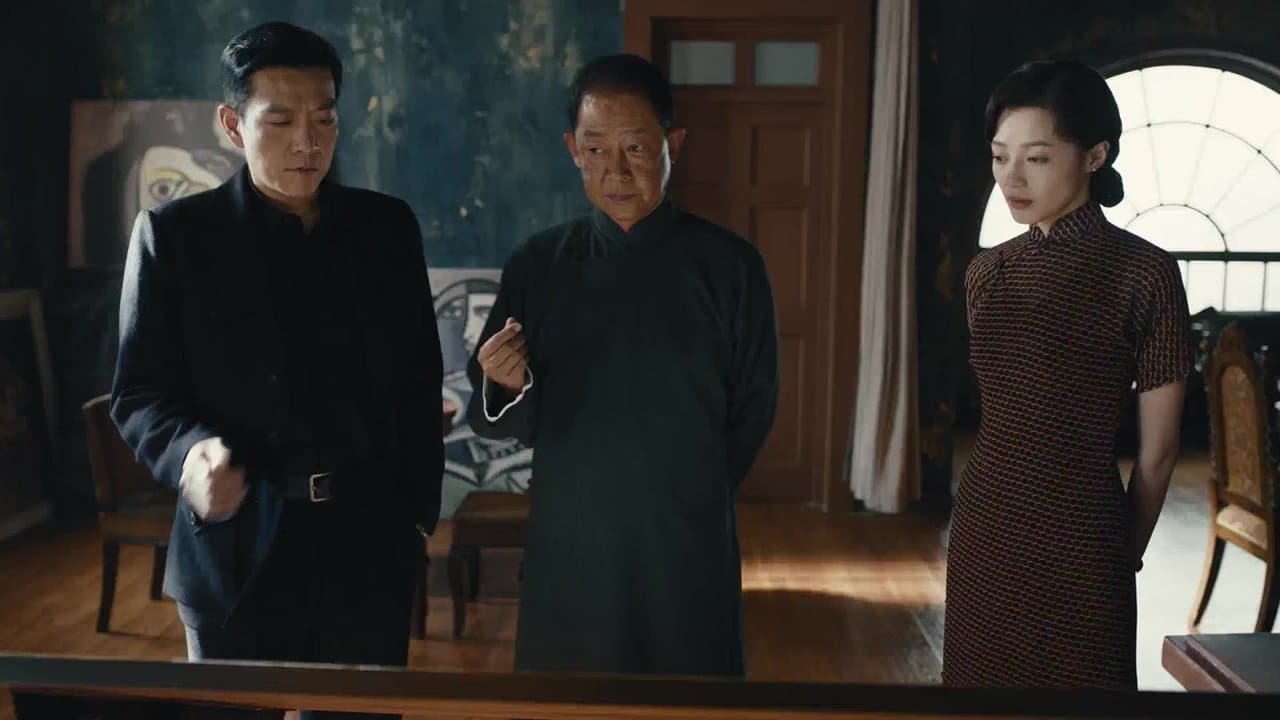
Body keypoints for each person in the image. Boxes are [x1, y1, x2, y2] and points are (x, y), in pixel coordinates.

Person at [110, 21, 443, 718]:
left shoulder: (386, 229)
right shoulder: (176, 237)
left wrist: (415, 517)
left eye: (324, 118)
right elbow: (138, 393)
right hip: (237, 548)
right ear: (233, 125)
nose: (307, 143)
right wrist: (189, 453)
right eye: (281, 120)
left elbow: (419, 378)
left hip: (366, 550)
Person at [466, 53, 779, 676]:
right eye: (596, 149)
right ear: (573, 150)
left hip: (684, 532)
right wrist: (504, 383)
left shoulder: (730, 266)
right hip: (572, 530)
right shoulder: (538, 264)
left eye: (636, 148)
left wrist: (696, 488)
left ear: (673, 144)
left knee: (688, 695)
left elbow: (755, 404)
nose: (616, 171)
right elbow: (494, 413)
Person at [945, 59, 1192, 688]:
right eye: (1000, 157)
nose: (1011, 178)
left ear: (1094, 155)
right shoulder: (986, 273)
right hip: (983, 527)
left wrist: (1123, 553)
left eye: (1036, 158)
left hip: (1085, 536)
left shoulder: (1145, 273)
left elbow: (1160, 453)